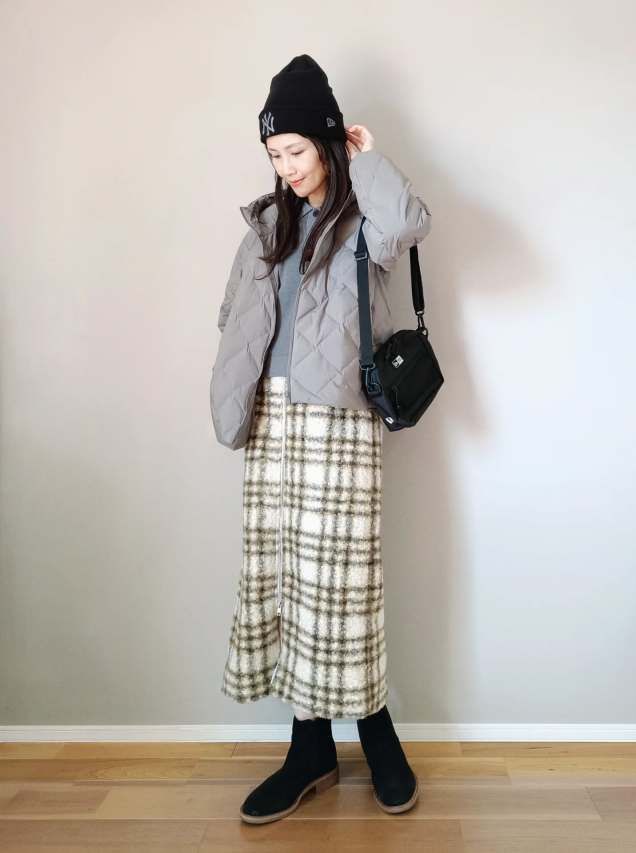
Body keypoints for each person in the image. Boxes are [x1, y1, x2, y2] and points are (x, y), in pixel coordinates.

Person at [210, 53, 432, 824]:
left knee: (343, 586)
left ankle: (374, 731)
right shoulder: (266, 226)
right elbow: (234, 317)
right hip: (272, 419)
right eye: (275, 153)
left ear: (329, 140)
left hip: (338, 417)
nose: (286, 166)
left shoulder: (362, 216)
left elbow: (410, 223)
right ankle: (309, 748)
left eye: (297, 149)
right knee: (286, 580)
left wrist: (364, 158)